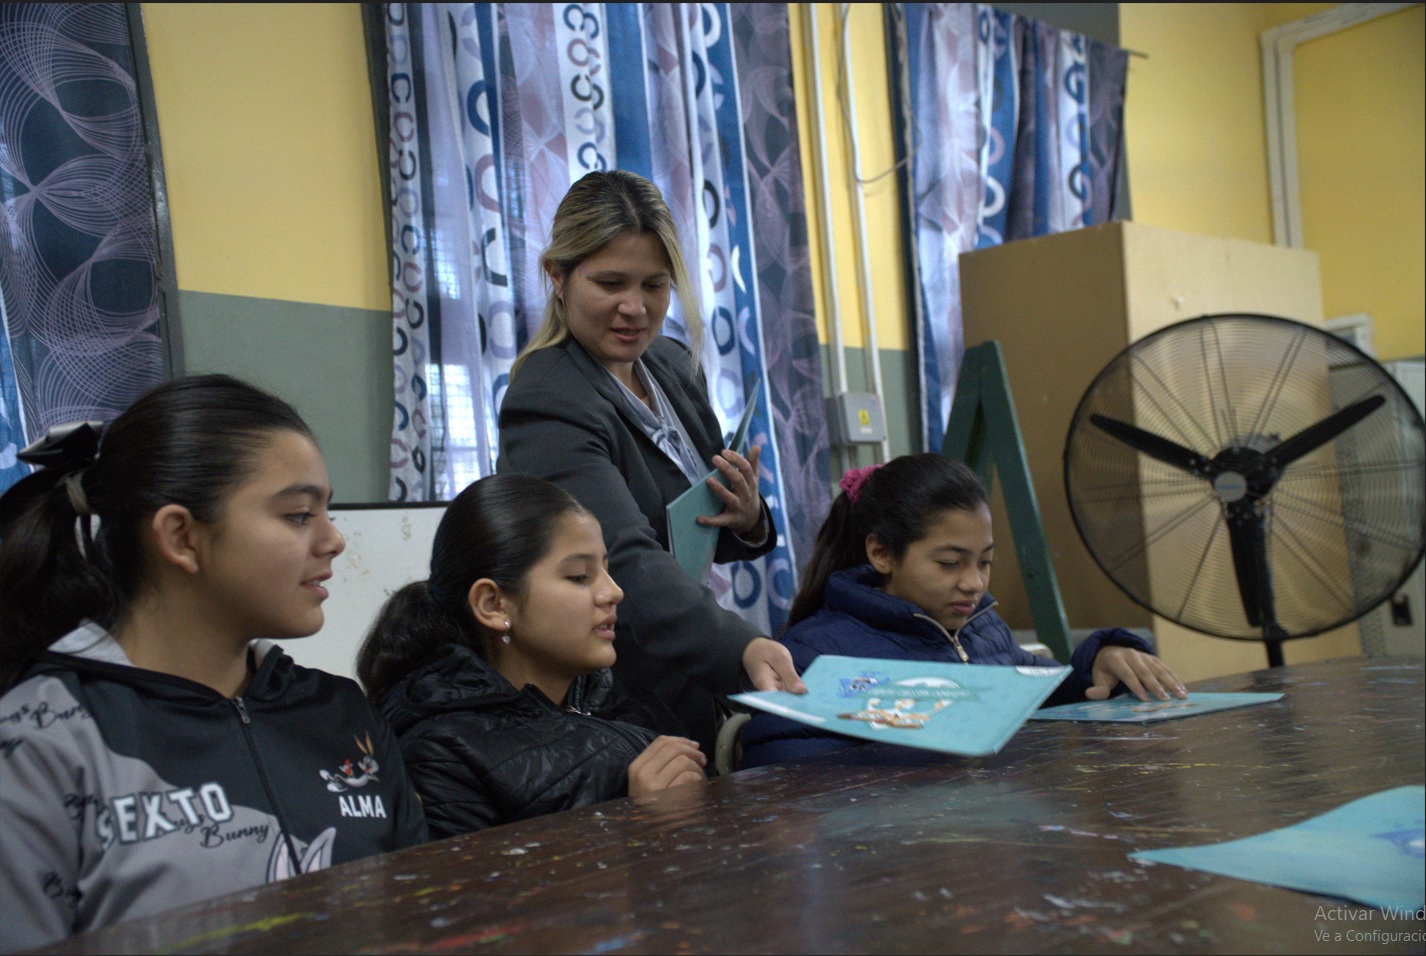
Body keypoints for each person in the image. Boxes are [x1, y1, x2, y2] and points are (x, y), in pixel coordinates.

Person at [0, 375, 427, 951]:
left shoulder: (341, 714)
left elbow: (422, 915)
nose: (333, 541)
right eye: (299, 515)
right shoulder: (41, 742)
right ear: (181, 536)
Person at [498, 169, 804, 753]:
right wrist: (738, 646)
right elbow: (622, 560)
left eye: (655, 285)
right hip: (609, 693)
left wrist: (745, 517)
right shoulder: (547, 399)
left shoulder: (670, 365)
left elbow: (688, 512)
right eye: (610, 283)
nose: (634, 308)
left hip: (681, 666)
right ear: (557, 278)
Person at [739, 454, 1188, 768]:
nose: (974, 582)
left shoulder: (982, 628)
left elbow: (1039, 687)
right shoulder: (813, 653)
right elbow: (779, 768)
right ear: (881, 553)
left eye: (985, 561)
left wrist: (1100, 660)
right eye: (950, 563)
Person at [356, 473, 707, 839]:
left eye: (607, 568)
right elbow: (475, 892)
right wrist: (632, 825)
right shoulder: (440, 753)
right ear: (493, 604)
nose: (613, 592)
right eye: (578, 576)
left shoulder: (620, 698)